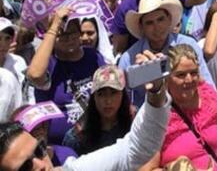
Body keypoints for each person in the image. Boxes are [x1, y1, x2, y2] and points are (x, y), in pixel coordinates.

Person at [0, 51, 170, 171]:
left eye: (39, 150)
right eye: (25, 167)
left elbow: (135, 150)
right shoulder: (76, 135)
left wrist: (156, 91)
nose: (41, 165)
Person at [148, 44, 217, 170]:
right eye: (181, 75)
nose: (189, 79)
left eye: (193, 73)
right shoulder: (158, 114)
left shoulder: (209, 96)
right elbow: (147, 168)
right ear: (167, 78)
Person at [26, 6, 106, 144]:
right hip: (59, 144)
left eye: (73, 32)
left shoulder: (93, 56)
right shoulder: (49, 64)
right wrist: (55, 25)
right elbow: (34, 75)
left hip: (94, 135)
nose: (68, 38)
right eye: (61, 34)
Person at [118, 0, 212, 106]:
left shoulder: (189, 45)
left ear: (169, 20)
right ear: (142, 27)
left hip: (189, 112)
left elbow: (207, 85)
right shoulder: (128, 58)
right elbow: (121, 99)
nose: (157, 26)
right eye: (149, 23)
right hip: (148, 117)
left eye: (160, 19)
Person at [62, 65, 133, 155]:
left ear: (123, 95)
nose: (108, 101)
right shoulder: (78, 136)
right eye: (101, 94)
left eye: (113, 93)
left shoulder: (135, 122)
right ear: (94, 97)